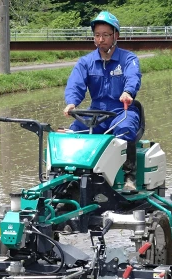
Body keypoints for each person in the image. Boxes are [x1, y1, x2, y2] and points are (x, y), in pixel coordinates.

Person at [63, 11, 142, 192]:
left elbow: (133, 77)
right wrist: (71, 103)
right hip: (96, 112)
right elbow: (75, 84)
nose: (101, 39)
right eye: (97, 35)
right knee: (74, 133)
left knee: (125, 129)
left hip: (122, 111)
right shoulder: (86, 62)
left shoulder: (128, 59)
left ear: (116, 36)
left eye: (105, 35)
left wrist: (128, 92)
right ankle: (74, 180)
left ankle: (129, 177)